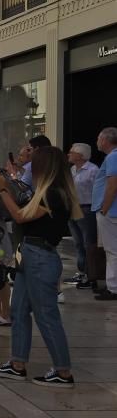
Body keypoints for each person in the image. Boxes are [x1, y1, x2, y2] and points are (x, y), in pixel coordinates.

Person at [0, 146, 82, 386]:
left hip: (40, 257)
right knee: (18, 311)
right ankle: (17, 364)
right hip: (30, 254)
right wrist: (9, 183)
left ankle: (63, 371)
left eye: (35, 163)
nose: (31, 166)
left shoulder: (54, 194)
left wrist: (2, 189)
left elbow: (20, 216)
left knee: (46, 315)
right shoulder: (49, 191)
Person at [65, 143, 99, 290]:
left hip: (86, 208)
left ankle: (90, 275)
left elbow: (98, 190)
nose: (69, 154)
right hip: (72, 208)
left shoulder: (93, 170)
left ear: (80, 155)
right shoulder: (72, 170)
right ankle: (81, 271)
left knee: (88, 242)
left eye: (72, 152)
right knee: (78, 242)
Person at [92, 127, 117, 301]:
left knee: (112, 250)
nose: (97, 142)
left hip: (110, 211)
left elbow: (112, 184)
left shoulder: (113, 156)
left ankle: (113, 287)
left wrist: (104, 208)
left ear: (106, 140)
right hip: (110, 211)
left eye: (99, 138)